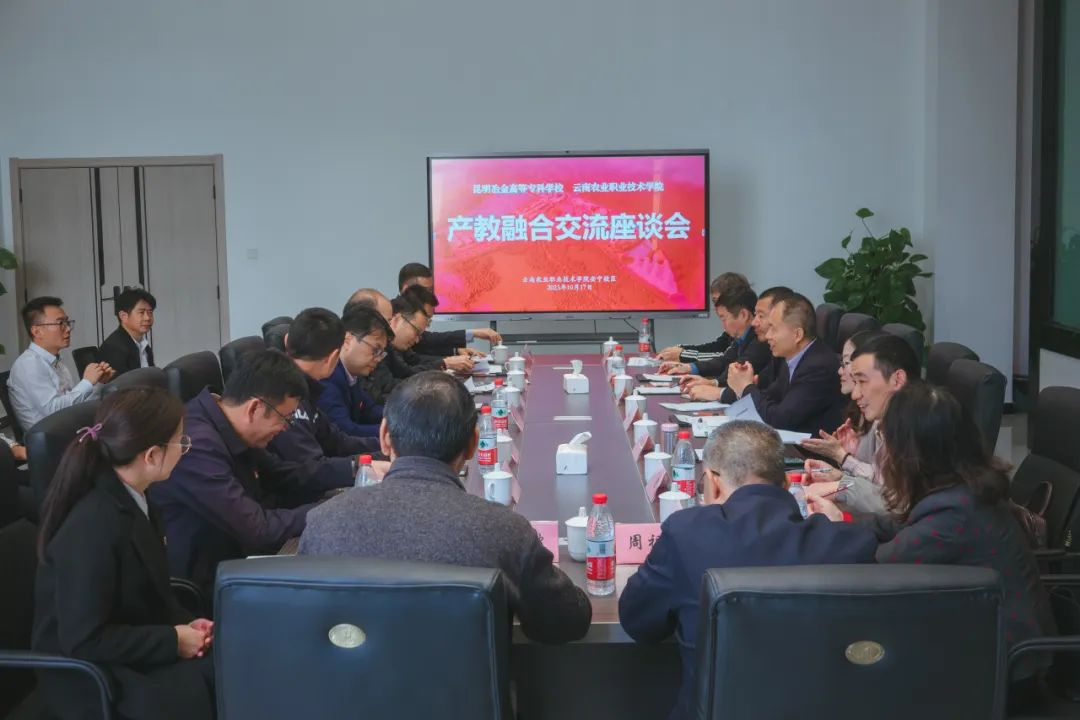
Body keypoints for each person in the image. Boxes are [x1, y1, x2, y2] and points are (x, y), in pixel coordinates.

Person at [299, 371, 592, 644]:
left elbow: (302, 622)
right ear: (473, 444)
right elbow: (566, 621)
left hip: (352, 684)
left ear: (385, 435)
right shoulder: (503, 529)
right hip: (466, 686)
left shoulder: (324, 522)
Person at [619, 420, 876, 720]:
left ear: (713, 482)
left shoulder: (687, 533)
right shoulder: (846, 544)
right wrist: (838, 528)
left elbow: (637, 622)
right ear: (786, 485)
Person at [808, 383, 1055, 693]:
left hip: (1001, 669)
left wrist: (836, 527)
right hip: (984, 636)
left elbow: (880, 565)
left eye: (888, 440)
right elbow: (900, 527)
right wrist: (845, 521)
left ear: (912, 452)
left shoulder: (955, 512)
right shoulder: (964, 487)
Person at [33, 387, 215, 720]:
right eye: (181, 442)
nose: (185, 448)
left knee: (230, 664)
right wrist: (172, 640)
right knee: (220, 684)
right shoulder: (93, 525)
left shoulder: (134, 497)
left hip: (127, 648)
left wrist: (184, 623)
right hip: (93, 677)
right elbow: (84, 640)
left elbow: (143, 590)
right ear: (151, 456)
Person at [150, 349, 328, 590]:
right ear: (254, 408)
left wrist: (352, 470)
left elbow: (283, 473)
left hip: (237, 558)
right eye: (285, 418)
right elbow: (259, 529)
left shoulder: (228, 424)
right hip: (207, 585)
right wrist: (329, 512)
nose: (286, 428)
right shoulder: (197, 446)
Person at [269, 308, 386, 488]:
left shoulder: (303, 387)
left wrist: (386, 448)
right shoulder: (288, 396)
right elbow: (310, 471)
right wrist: (359, 466)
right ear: (333, 357)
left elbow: (337, 441)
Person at [802, 333, 919, 513]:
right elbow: (882, 482)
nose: (856, 394)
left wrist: (842, 487)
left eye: (862, 382)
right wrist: (839, 476)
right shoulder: (884, 422)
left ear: (897, 379)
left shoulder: (919, 428)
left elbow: (899, 507)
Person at [724, 293, 844, 434]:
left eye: (774, 329)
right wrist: (745, 385)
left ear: (797, 335)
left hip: (805, 446)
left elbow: (779, 419)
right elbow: (770, 397)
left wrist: (746, 387)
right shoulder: (793, 358)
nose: (768, 335)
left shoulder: (818, 367)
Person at [7, 296, 114, 430]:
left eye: (67, 322)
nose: (68, 328)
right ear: (37, 331)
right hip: (52, 437)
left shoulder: (56, 362)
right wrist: (87, 382)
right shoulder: (29, 364)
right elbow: (54, 411)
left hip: (68, 428)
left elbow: (73, 404)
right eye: (60, 323)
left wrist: (98, 383)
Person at [799, 329, 885, 474]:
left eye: (846, 363)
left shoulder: (886, 419)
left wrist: (841, 456)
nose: (840, 371)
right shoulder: (857, 411)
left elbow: (882, 484)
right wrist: (837, 472)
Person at [661, 287, 772, 398]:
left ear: (743, 315)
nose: (754, 322)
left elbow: (738, 371)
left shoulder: (760, 341)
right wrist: (692, 368)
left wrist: (715, 387)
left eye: (723, 319)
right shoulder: (742, 338)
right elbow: (725, 360)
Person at [317, 305, 393, 437]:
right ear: (347, 341)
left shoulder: (351, 374)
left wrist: (401, 418)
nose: (378, 359)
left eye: (381, 353)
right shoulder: (327, 376)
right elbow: (346, 431)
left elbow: (369, 410)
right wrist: (395, 432)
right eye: (375, 350)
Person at [397, 262, 502, 356]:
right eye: (425, 290)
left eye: (431, 290)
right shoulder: (393, 313)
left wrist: (456, 351)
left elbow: (424, 343)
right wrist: (446, 362)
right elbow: (418, 353)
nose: (430, 295)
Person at [656, 272, 750, 363]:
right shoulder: (733, 327)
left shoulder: (751, 332)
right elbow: (717, 347)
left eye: (719, 301)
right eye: (714, 301)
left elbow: (726, 358)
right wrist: (681, 349)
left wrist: (683, 354)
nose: (716, 307)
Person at [98, 287, 157, 376]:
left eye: (150, 312)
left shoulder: (143, 344)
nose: (147, 318)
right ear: (123, 316)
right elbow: (123, 383)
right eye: (141, 312)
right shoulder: (114, 348)